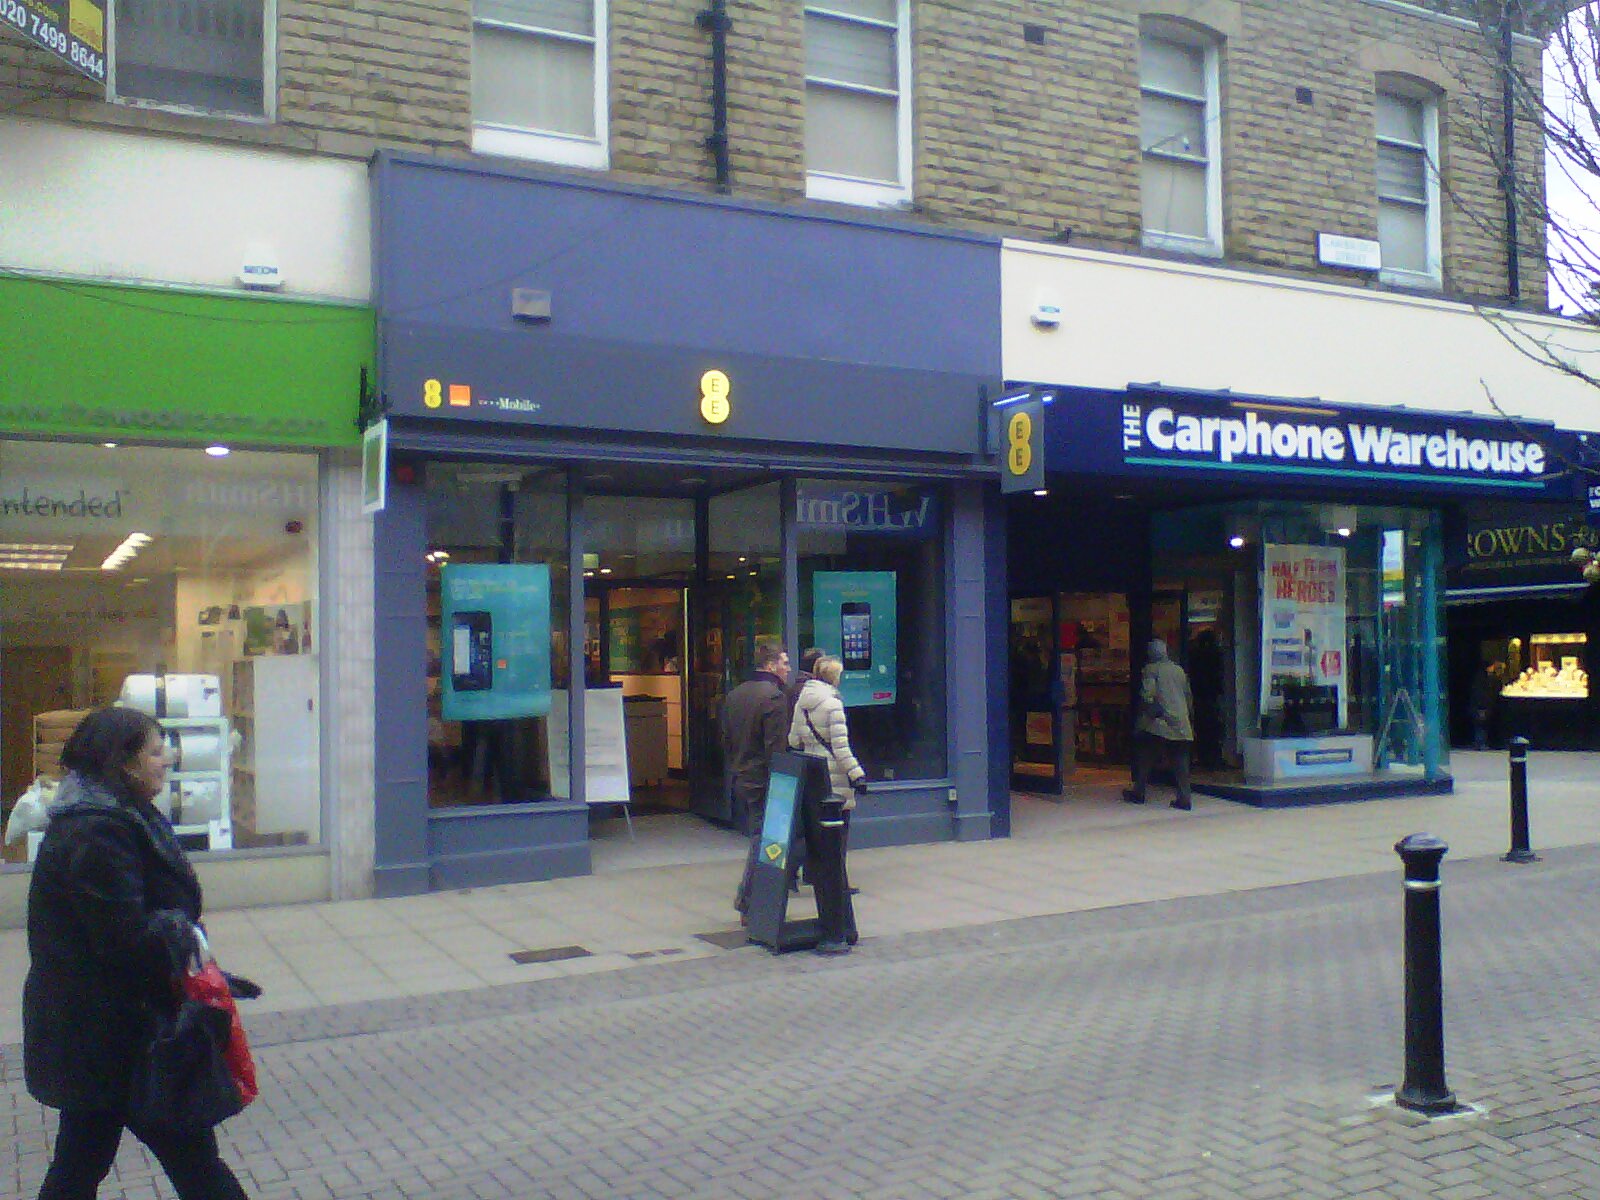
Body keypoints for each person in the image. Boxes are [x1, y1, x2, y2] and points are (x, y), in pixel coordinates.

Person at [24, 706, 258, 1200]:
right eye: (156, 750)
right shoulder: (96, 831)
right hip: (119, 1037)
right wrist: (180, 934)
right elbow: (121, 937)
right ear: (124, 762)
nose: (168, 758)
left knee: (79, 1165)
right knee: (195, 1166)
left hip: (107, 1034)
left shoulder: (117, 813)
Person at [790, 655, 868, 955]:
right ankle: (840, 928)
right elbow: (841, 748)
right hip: (834, 784)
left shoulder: (802, 700)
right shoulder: (833, 704)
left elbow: (793, 740)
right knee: (836, 854)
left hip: (812, 782)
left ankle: (839, 923)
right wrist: (858, 776)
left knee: (822, 853)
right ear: (833, 677)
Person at [726, 640, 792, 921]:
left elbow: (727, 739)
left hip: (742, 775)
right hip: (763, 780)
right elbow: (776, 749)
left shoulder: (736, 694)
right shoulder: (774, 697)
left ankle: (760, 899)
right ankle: (749, 901)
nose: (788, 668)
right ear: (771, 665)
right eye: (785, 663)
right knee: (764, 840)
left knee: (762, 837)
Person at [1123, 638, 1196, 811]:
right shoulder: (1179, 670)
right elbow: (1188, 696)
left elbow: (1148, 695)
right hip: (1181, 721)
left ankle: (1139, 791)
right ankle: (1184, 797)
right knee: (1181, 761)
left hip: (1160, 721)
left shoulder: (1151, 670)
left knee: (1145, 755)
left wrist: (1142, 719)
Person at [1469, 660, 1506, 750]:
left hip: (1481, 705)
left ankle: (1480, 743)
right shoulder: (1484, 680)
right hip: (1482, 705)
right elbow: (1483, 694)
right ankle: (1480, 743)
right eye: (1492, 666)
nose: (1493, 668)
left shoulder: (1482, 678)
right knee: (1481, 725)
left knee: (1481, 725)